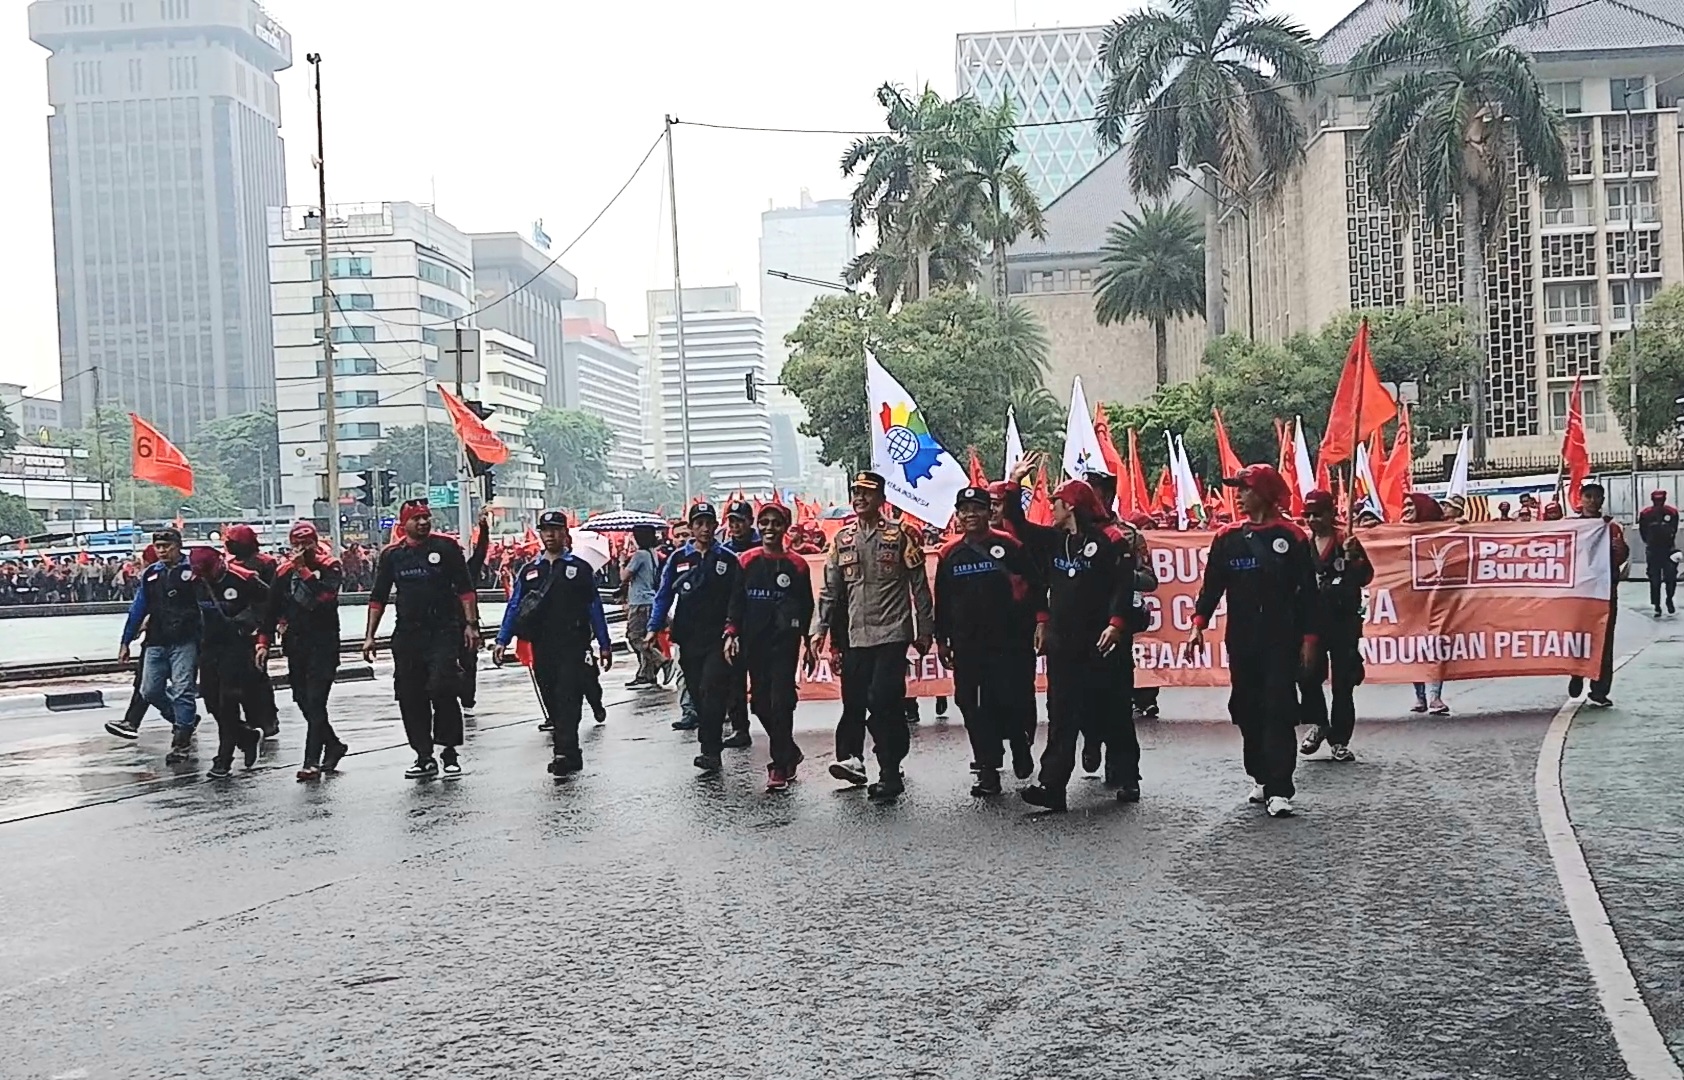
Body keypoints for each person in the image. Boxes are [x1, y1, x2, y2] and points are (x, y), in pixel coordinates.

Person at [1186, 464, 1318, 818]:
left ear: (1263, 493)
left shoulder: (1293, 537)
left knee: (1278, 708)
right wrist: (1198, 623)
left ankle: (1279, 787)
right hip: (1241, 639)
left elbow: (1308, 594)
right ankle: (1259, 774)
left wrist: (1308, 638)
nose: (1239, 496)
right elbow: (1212, 585)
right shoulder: (1227, 537)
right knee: (1246, 708)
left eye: (1245, 489)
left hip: (1281, 639)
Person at [813, 472, 934, 803]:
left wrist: (925, 630)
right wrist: (819, 629)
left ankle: (889, 771)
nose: (860, 498)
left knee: (883, 700)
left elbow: (919, 588)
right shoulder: (842, 540)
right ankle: (858, 759)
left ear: (882, 498)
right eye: (855, 492)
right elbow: (830, 591)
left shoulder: (901, 535)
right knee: (856, 702)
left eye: (867, 492)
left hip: (892, 634)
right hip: (856, 636)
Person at [1017, 479, 1137, 811]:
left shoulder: (1112, 540)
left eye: (1056, 501)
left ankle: (1127, 776)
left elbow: (1123, 587)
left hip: (1102, 642)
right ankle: (1052, 787)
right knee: (1061, 715)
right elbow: (1017, 526)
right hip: (1063, 643)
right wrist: (1014, 483)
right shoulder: (1055, 541)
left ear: (1070, 506)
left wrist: (1116, 624)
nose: (1051, 507)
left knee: (1113, 710)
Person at [934, 486, 1046, 796]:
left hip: (1011, 642)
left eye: (977, 508)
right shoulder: (949, 553)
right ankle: (987, 768)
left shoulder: (1010, 546)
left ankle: (1020, 745)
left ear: (989, 512)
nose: (971, 515)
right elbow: (942, 600)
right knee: (972, 705)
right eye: (964, 509)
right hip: (968, 645)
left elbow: (1036, 586)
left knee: (1012, 700)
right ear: (957, 515)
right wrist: (941, 639)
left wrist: (1041, 622)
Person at [363, 500, 479, 779]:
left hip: (443, 631)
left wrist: (471, 625)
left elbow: (466, 589)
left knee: (442, 686)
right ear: (404, 525)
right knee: (410, 695)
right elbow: (378, 596)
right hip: (407, 635)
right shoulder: (392, 555)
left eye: (426, 517)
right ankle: (423, 755)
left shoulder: (446, 549)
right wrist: (370, 636)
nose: (424, 522)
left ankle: (449, 750)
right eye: (417, 518)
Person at [495, 511, 613, 776]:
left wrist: (604, 643)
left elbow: (594, 606)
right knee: (550, 696)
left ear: (565, 533)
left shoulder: (580, 569)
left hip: (573, 645)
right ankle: (567, 750)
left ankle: (565, 751)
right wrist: (502, 639)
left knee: (568, 697)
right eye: (545, 530)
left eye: (556, 529)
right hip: (543, 646)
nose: (551, 534)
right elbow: (515, 606)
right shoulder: (530, 572)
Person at [724, 503, 815, 790]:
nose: (769, 528)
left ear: (785, 527)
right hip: (754, 643)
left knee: (781, 703)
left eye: (776, 523)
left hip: (784, 644)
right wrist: (731, 632)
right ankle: (789, 750)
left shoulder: (797, 565)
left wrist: (810, 643)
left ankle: (778, 765)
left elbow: (807, 607)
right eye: (765, 522)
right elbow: (736, 601)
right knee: (760, 704)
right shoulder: (747, 561)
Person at [647, 502, 742, 774]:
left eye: (708, 523)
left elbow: (736, 599)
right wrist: (654, 627)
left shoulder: (727, 559)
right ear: (691, 527)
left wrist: (732, 629)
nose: (703, 528)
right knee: (697, 693)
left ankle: (710, 751)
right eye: (698, 523)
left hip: (718, 639)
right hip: (688, 638)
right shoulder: (678, 559)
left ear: (715, 526)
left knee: (713, 691)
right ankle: (709, 740)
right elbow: (664, 594)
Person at [263, 522, 347, 782]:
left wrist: (305, 569)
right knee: (301, 698)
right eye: (296, 545)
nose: (301, 549)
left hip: (323, 642)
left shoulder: (330, 566)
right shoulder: (283, 572)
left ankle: (311, 760)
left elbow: (325, 598)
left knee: (316, 699)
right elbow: (271, 607)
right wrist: (263, 641)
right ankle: (332, 743)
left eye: (306, 544)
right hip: (296, 643)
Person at [1296, 490, 1372, 762]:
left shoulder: (1346, 541)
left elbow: (1366, 577)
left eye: (1318, 514)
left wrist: (1355, 560)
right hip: (1313, 623)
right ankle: (1319, 722)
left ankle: (1339, 739)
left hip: (1344, 623)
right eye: (1308, 515)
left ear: (1331, 514)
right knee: (1307, 675)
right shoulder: (1303, 545)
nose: (1313, 519)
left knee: (1343, 683)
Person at [116, 529, 203, 764]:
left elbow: (205, 604)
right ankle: (181, 719)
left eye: (167, 546)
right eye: (159, 546)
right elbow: (138, 608)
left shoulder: (193, 571)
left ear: (178, 546)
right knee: (150, 690)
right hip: (156, 640)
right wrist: (126, 641)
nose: (163, 550)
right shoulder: (151, 574)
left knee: (183, 688)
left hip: (186, 639)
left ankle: (181, 742)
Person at [190, 546, 269, 779]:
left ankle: (223, 759)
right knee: (211, 700)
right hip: (208, 646)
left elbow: (268, 603)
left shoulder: (244, 579)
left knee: (228, 702)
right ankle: (246, 735)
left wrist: (246, 623)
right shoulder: (195, 581)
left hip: (236, 646)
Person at [1569, 481, 1628, 708]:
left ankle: (1599, 689)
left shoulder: (1611, 527)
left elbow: (1620, 556)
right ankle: (1576, 673)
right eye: (1589, 497)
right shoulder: (1570, 526)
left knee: (1604, 639)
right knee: (1576, 636)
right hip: (1576, 592)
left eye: (1597, 497)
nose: (1593, 501)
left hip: (1604, 592)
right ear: (1581, 499)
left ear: (1603, 500)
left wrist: (1617, 548)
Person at [224, 524, 281, 739]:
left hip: (259, 624)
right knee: (239, 677)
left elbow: (273, 595)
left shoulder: (266, 563)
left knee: (257, 674)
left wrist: (275, 621)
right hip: (235, 625)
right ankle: (252, 718)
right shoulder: (229, 565)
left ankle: (267, 718)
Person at [1402, 492, 1452, 716]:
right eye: (1404, 505)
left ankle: (1435, 696)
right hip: (1410, 599)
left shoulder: (1442, 531)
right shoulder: (1396, 532)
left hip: (1437, 597)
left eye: (1410, 505)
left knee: (1435, 644)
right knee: (1414, 646)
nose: (1406, 509)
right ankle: (1419, 696)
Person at [719, 500, 761, 744]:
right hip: (733, 621)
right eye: (731, 521)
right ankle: (740, 728)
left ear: (750, 521)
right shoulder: (725, 552)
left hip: (761, 621)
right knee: (734, 679)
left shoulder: (764, 546)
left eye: (739, 521)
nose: (735, 526)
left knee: (762, 679)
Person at [459, 508, 493, 719]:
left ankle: (467, 699)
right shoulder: (437, 572)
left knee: (469, 663)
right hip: (446, 626)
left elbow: (480, 551)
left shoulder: (467, 571)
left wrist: (483, 528)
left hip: (468, 623)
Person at [622, 525, 664, 688]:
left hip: (639, 602)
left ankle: (661, 660)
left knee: (634, 637)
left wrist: (621, 562)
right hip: (649, 599)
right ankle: (647, 674)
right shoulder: (652, 553)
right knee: (647, 637)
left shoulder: (639, 555)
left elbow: (624, 576)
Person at [1638, 488, 1678, 617]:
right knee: (1654, 580)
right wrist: (1649, 542)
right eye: (1657, 500)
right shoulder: (1646, 513)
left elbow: (1674, 529)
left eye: (1661, 500)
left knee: (1671, 577)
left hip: (1669, 550)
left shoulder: (1672, 512)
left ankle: (1669, 599)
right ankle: (1656, 605)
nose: (1659, 503)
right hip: (1653, 550)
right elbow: (1642, 531)